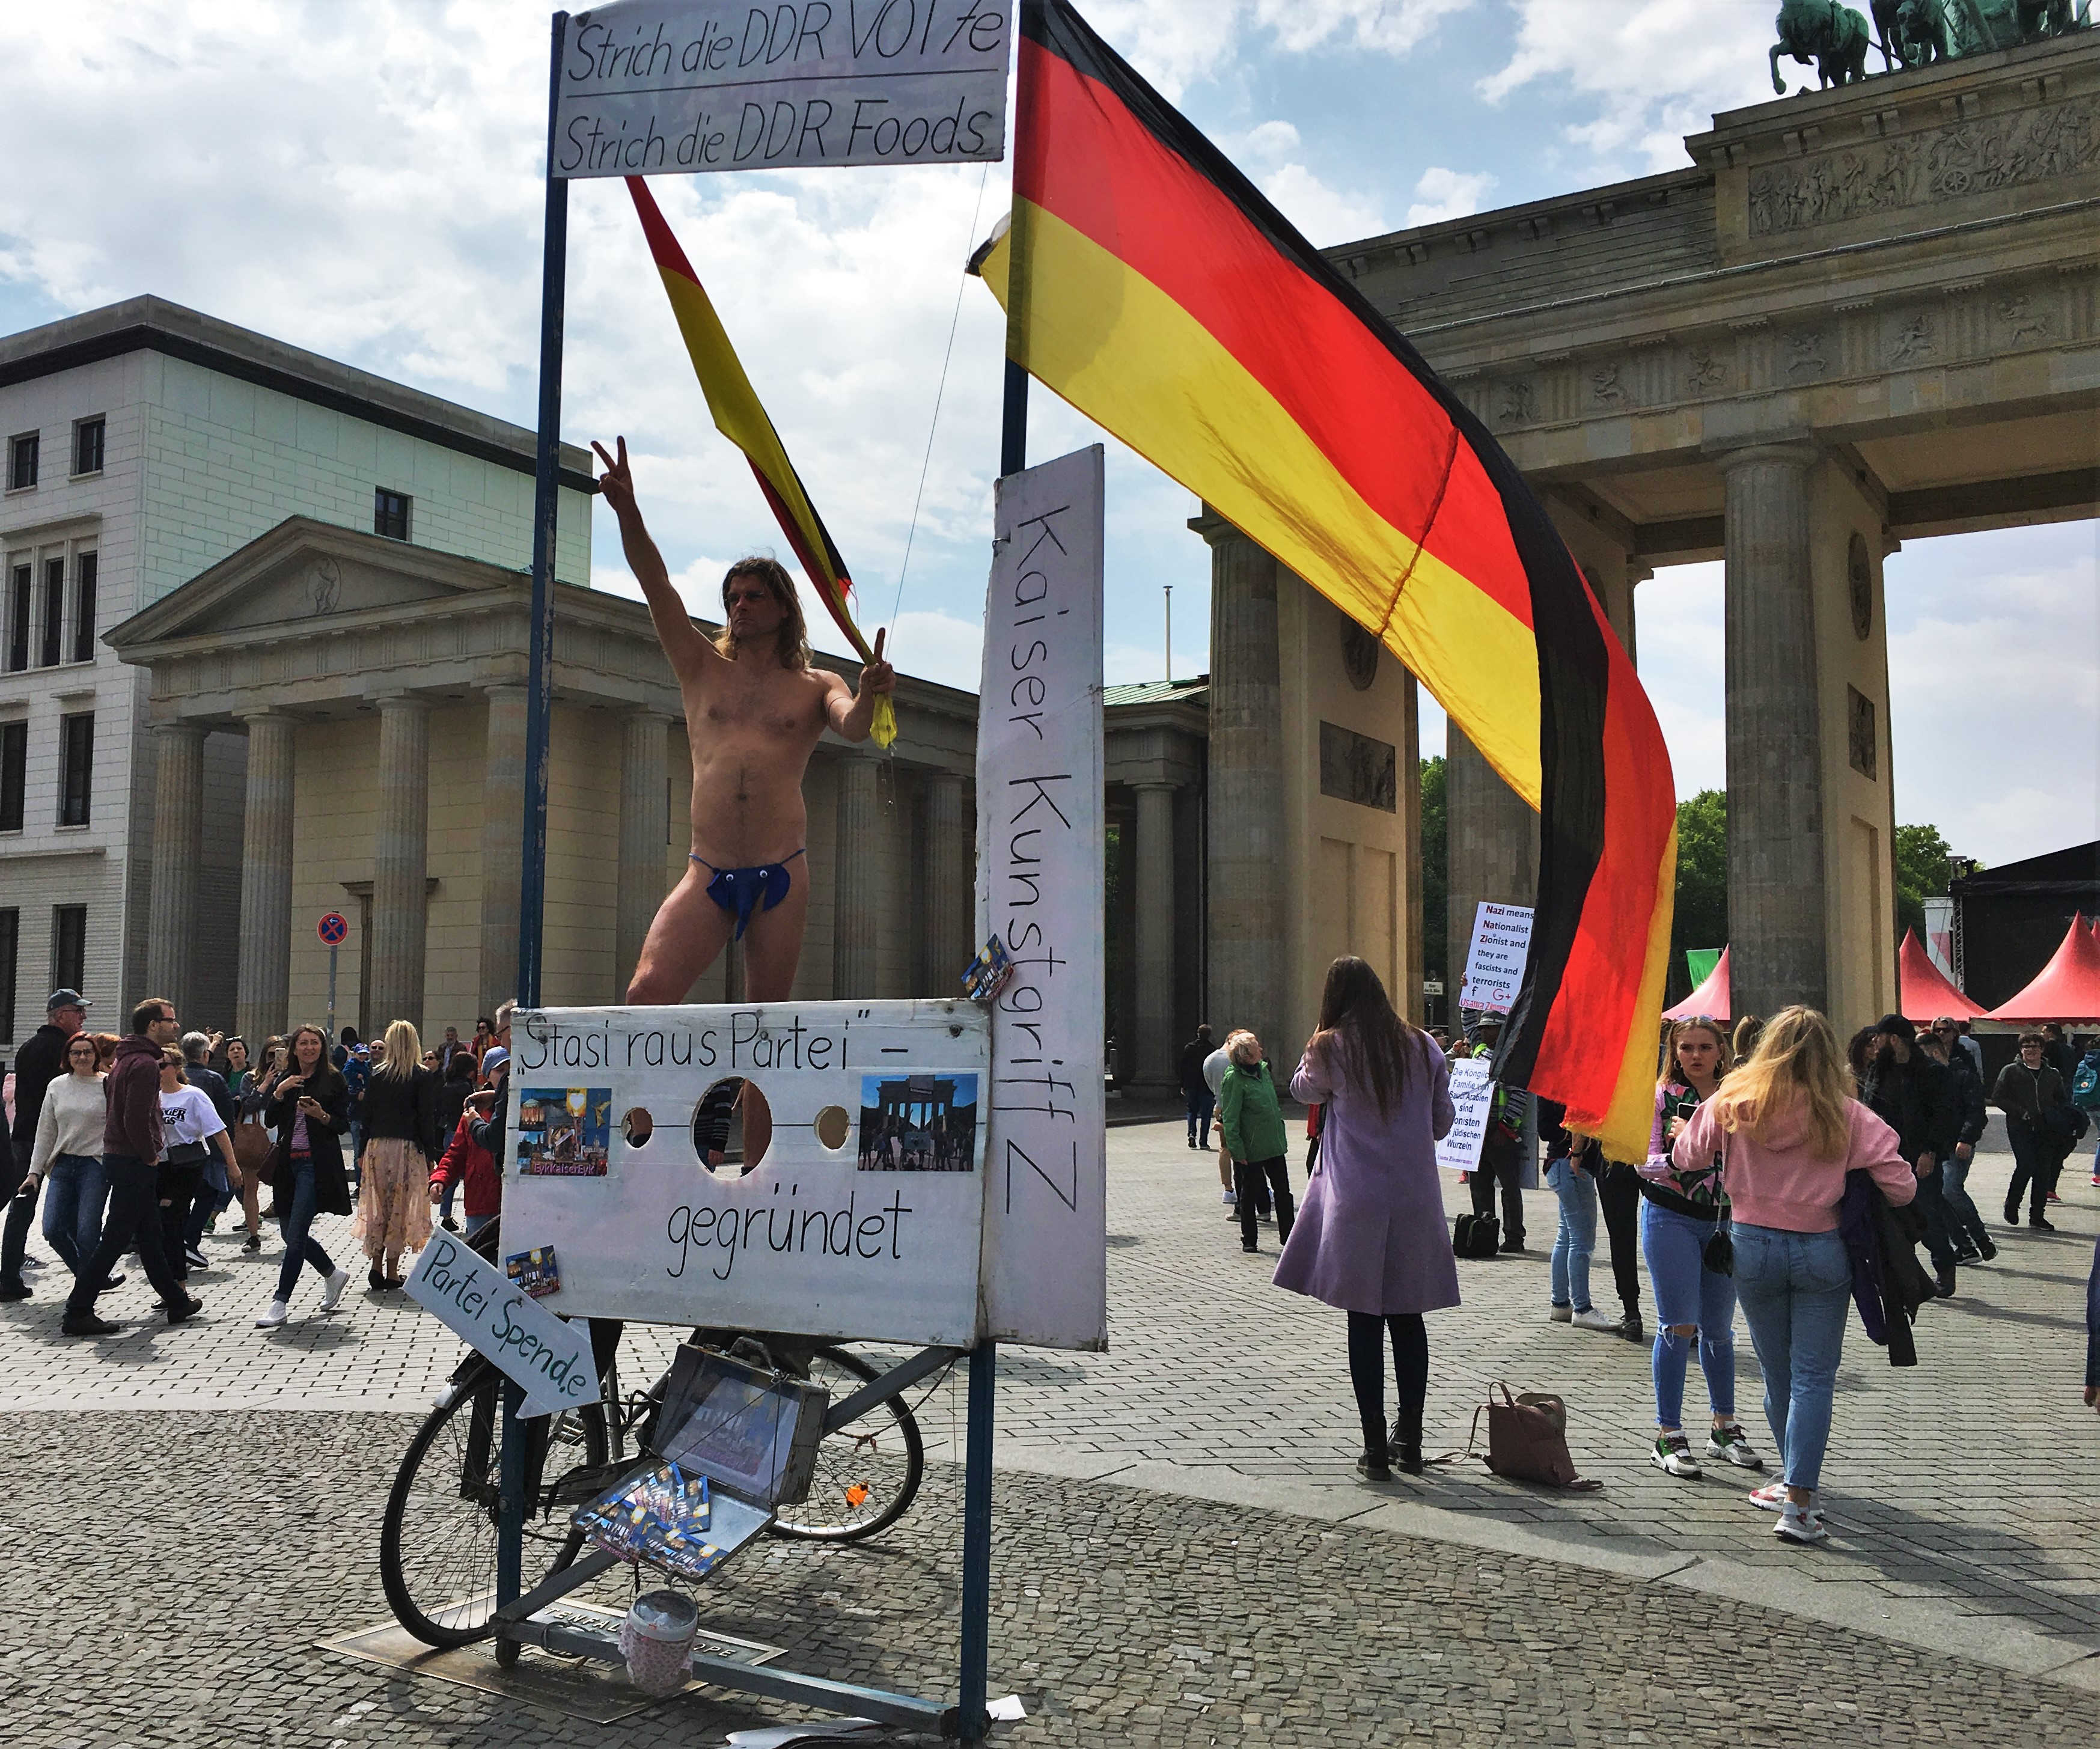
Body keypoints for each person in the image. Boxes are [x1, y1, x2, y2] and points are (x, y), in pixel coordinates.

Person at [593, 436, 894, 1014]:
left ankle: (753, 1111)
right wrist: (629, 510)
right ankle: (652, 1112)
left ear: (784, 609)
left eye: (754, 596)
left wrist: (870, 692)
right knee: (644, 995)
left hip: (781, 872)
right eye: (733, 596)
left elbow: (853, 727)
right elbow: (657, 585)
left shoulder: (816, 685)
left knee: (765, 1024)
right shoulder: (700, 665)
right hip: (708, 871)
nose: (740, 606)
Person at [1676, 1006, 1915, 1544]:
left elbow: (1686, 1155)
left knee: (1776, 1374)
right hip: (1821, 1249)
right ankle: (1800, 1505)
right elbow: (1902, 1187)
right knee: (1813, 1378)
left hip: (1752, 1245)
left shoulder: (1736, 1097)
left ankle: (1790, 1486)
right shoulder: (1845, 1111)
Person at [1277, 956, 1458, 1480]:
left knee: (1363, 1318)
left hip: (1356, 1198)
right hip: (1414, 1198)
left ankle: (1374, 1444)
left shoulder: (1329, 1045)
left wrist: (1320, 1033)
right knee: (1408, 1317)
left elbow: (1301, 1091)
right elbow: (1443, 1123)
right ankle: (1414, 1438)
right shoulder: (1424, 1045)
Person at [1639, 1017, 1759, 1479]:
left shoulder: (1737, 1097)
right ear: (1673, 1051)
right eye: (1686, 1047)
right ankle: (1668, 1434)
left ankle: (1723, 1426)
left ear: (1721, 1050)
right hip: (1670, 1216)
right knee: (1678, 1325)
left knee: (1720, 1330)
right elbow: (1641, 1161)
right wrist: (1676, 1155)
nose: (1695, 1055)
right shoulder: (1660, 1096)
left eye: (1705, 1047)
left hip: (1725, 1223)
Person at [62, 998, 201, 1337]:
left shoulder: (126, 1060)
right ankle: (78, 1311)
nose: (175, 1026)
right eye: (170, 1020)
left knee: (150, 1234)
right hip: (133, 1160)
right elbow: (135, 1118)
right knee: (115, 1238)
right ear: (154, 1025)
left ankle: (175, 1301)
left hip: (120, 1158)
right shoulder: (143, 1065)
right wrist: (150, 1154)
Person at [255, 1024, 353, 1328]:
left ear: (322, 1049)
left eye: (315, 1043)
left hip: (316, 1165)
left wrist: (321, 1115)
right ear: (294, 1049)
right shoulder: (286, 1079)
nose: (309, 1048)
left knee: (295, 1235)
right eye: (303, 1043)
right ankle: (333, 1274)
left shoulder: (334, 1079)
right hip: (288, 1166)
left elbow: (342, 1125)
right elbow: (269, 1120)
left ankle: (280, 1302)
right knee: (288, 1233)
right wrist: (279, 1093)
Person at [1860, 1014, 1962, 1298]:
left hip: (1920, 1158)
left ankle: (1944, 1262)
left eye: (1879, 1037)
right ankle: (1905, 1279)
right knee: (1891, 1222)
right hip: (1884, 1158)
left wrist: (1929, 1152)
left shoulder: (1931, 1073)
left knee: (1926, 1217)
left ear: (1894, 1039)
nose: (1875, 1043)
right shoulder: (1880, 1071)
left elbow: (1944, 1118)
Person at [1, 988, 91, 1297]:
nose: (83, 1017)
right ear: (61, 1016)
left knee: (22, 1209)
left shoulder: (27, 1047)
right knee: (74, 1210)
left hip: (25, 1136)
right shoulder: (65, 1050)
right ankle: (88, 1272)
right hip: (53, 1140)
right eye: (77, 1012)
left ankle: (9, 1278)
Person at [14, 1030, 114, 1289]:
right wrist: (34, 1172)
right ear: (67, 1057)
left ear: (96, 1056)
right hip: (63, 1165)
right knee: (53, 1229)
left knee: (87, 1232)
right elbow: (46, 1131)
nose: (81, 1057)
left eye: (87, 1052)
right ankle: (92, 1276)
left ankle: (85, 1291)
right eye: (76, 1053)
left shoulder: (108, 1084)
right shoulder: (57, 1086)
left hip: (96, 1164)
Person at [352, 1018, 439, 1289]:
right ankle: (391, 1270)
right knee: (400, 1208)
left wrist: (363, 1148)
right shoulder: (421, 1075)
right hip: (407, 1147)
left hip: (377, 1147)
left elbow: (367, 1116)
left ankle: (375, 1266)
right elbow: (425, 1117)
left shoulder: (377, 1075)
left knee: (378, 1207)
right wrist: (431, 1151)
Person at [155, 1046, 239, 1281]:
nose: (158, 1070)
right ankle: (176, 1276)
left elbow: (218, 1131)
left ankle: (178, 1282)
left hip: (186, 1165)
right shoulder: (152, 1097)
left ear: (177, 1068)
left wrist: (232, 1165)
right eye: (154, 1065)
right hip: (158, 1166)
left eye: (163, 1065)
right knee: (163, 1226)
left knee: (170, 1218)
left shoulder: (193, 1095)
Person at [1920, 1019, 1996, 1263]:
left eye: (1946, 1030)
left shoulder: (1962, 1074)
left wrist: (1966, 1139)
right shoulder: (1926, 1078)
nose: (1942, 1034)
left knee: (1950, 1189)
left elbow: (1976, 1111)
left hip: (1956, 1144)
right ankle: (1966, 1246)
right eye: (1938, 1030)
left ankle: (1980, 1239)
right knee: (1938, 1196)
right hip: (1935, 1146)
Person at [1540, 1103, 1616, 1331]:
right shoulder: (1576, 1089)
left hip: (1559, 1164)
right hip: (1573, 1167)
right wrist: (1578, 1151)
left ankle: (1560, 1303)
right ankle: (1582, 1308)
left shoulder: (1552, 1085)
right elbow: (1577, 1120)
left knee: (1566, 1237)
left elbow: (1546, 1130)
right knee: (1581, 1242)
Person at [1219, 1030, 1294, 1253]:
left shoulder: (1263, 1071)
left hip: (1274, 1143)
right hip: (1251, 1149)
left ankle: (1289, 1237)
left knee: (1283, 1192)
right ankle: (1249, 1239)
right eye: (1256, 1047)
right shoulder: (1234, 1079)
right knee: (1249, 1195)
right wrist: (1237, 1150)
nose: (1261, 1050)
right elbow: (1231, 1118)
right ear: (1246, 1054)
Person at [1993, 1032, 2072, 1231]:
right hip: (2020, 1127)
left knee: (2043, 1170)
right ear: (2021, 1049)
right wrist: (2021, 1112)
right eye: (2026, 1046)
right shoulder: (2010, 1071)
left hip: (2046, 1129)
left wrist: (2058, 1117)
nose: (2031, 1050)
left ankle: (2037, 1216)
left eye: (2035, 1046)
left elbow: (2062, 1100)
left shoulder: (2052, 1074)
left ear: (2042, 1049)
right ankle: (2012, 1204)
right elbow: (1999, 1097)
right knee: (2026, 1165)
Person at [175, 1030, 237, 1271]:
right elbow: (225, 1119)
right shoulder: (213, 1080)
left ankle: (179, 1241)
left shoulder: (176, 1076)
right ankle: (190, 1241)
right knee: (208, 1195)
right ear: (204, 1054)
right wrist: (228, 1154)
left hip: (177, 1151)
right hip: (208, 1150)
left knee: (181, 1198)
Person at [429, 1048, 504, 1239]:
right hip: (481, 1201)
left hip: (515, 1203)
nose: (507, 1076)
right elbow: (456, 1154)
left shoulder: (523, 1107)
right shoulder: (472, 1114)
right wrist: (440, 1179)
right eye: (500, 1071)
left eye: (511, 1070)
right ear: (487, 1074)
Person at [433, 1049, 477, 1232]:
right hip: (462, 1132)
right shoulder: (465, 1088)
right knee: (469, 1176)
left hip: (447, 1132)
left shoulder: (446, 1085)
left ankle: (445, 1214)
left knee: (450, 1177)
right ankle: (471, 1216)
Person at [1179, 1024, 1216, 1151]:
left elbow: (1183, 1067)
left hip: (1191, 1085)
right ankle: (1204, 1141)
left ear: (1198, 1034)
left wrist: (1183, 1084)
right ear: (1209, 1035)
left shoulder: (1189, 1048)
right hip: (1206, 1086)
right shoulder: (1212, 1050)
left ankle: (1191, 1134)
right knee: (1206, 1114)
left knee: (1191, 1111)